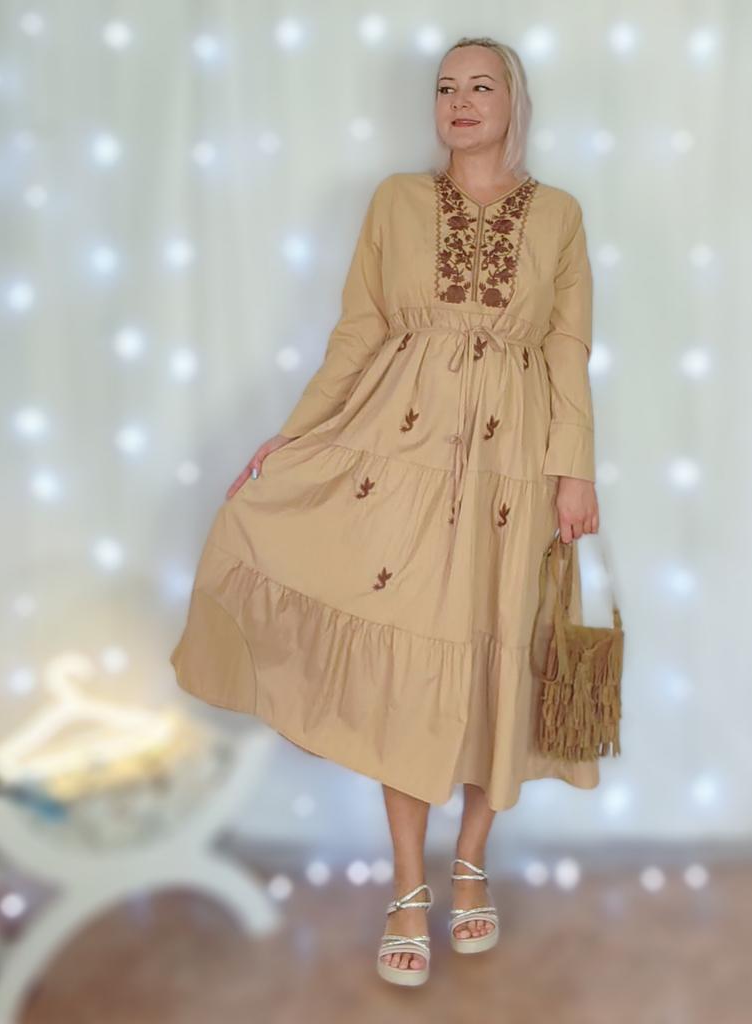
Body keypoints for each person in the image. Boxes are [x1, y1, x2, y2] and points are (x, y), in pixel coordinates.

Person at [169, 35, 600, 986]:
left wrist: (577, 472)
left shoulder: (560, 215)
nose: (460, 101)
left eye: (481, 86)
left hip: (514, 465)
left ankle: (470, 865)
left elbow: (568, 350)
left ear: (514, 102)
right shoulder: (396, 202)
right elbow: (358, 330)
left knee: (497, 661)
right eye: (445, 88)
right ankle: (408, 885)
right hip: (399, 454)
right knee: (408, 675)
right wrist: (294, 436)